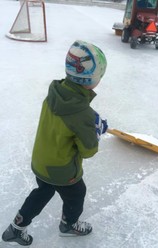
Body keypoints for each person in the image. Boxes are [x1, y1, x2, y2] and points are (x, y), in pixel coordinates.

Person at [2, 40, 108, 246]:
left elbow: (63, 126)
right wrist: (95, 132)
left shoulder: (56, 92)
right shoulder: (83, 114)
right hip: (62, 170)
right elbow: (88, 151)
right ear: (91, 80)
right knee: (77, 194)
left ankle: (16, 227)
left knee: (43, 191)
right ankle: (68, 225)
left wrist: (90, 125)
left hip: (41, 162)